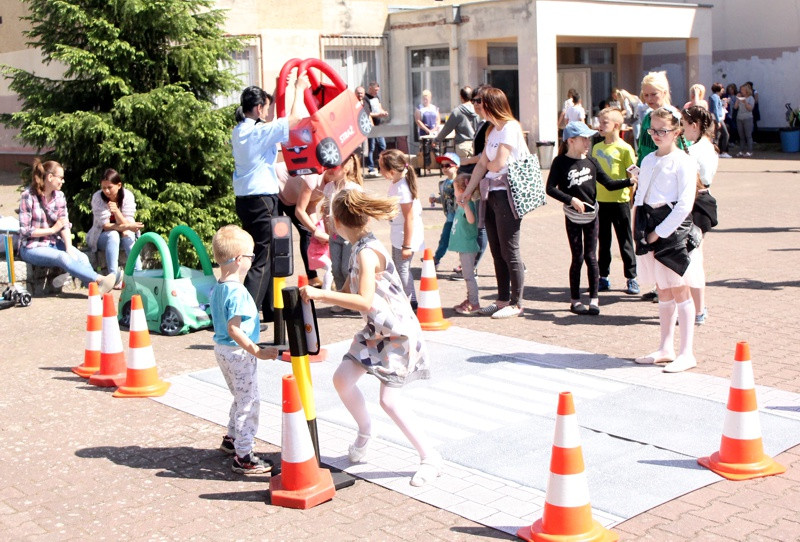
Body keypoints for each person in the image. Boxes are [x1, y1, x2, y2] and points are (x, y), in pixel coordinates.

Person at [299, 189, 440, 487]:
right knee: (342, 379)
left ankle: (430, 457)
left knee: (389, 400)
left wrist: (321, 294)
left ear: (336, 222)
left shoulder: (365, 252)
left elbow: (363, 301)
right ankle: (365, 431)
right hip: (377, 331)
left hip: (397, 333)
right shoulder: (361, 245)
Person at [231, 74, 309, 324]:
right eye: (264, 106)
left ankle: (269, 310)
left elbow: (271, 118)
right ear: (257, 108)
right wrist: (298, 89)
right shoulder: (258, 132)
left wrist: (279, 89)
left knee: (262, 254)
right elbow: (294, 120)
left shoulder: (241, 129)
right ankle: (247, 316)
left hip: (246, 201)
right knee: (264, 257)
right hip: (263, 200)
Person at [633, 106, 701, 373]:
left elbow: (685, 204)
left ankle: (687, 352)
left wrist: (658, 233)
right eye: (653, 130)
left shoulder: (683, 160)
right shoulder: (649, 159)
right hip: (648, 223)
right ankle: (665, 347)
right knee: (662, 287)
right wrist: (638, 227)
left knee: (679, 286)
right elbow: (640, 196)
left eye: (663, 130)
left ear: (676, 131)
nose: (658, 135)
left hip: (672, 228)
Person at [547, 122, 635, 315]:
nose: (588, 142)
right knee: (577, 257)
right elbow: (550, 188)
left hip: (591, 215)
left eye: (589, 138)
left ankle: (594, 300)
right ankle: (575, 300)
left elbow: (609, 184)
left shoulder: (592, 161)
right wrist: (571, 200)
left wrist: (630, 181)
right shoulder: (560, 162)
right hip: (572, 216)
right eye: (584, 138)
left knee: (591, 257)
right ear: (571, 140)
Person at [211, 225, 279, 474]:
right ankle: (244, 455)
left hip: (222, 351)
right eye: (251, 256)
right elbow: (234, 328)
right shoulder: (237, 292)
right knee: (249, 402)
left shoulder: (219, 286)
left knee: (240, 396)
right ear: (240, 260)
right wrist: (257, 351)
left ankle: (232, 439)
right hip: (238, 353)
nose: (252, 260)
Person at [460, 87, 528, 319]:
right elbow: (483, 164)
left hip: (508, 194)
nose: (477, 106)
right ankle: (501, 300)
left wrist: (489, 164)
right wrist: (468, 191)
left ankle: (516, 302)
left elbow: (496, 163)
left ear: (492, 104)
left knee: (510, 249)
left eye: (481, 102)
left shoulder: (510, 127)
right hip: (490, 193)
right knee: (497, 249)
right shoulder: (491, 130)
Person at [18, 159, 122, 294]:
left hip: (53, 243)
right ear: (50, 177)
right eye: (60, 178)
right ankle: (100, 279)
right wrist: (52, 230)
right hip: (31, 247)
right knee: (62, 257)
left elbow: (65, 225)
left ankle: (95, 290)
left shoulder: (59, 196)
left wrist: (69, 248)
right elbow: (25, 230)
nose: (63, 181)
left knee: (81, 257)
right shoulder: (28, 196)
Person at [591, 108, 639, 295]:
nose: (600, 126)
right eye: (599, 122)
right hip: (601, 201)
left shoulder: (625, 148)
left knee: (625, 240)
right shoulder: (596, 148)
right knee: (603, 241)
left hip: (620, 201)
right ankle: (603, 276)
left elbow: (632, 175)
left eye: (604, 123)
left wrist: (631, 196)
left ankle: (631, 277)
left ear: (616, 126)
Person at [682, 105, 719, 325]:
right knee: (695, 255)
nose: (682, 130)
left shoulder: (695, 151)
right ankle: (697, 308)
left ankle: (696, 309)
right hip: (704, 201)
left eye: (684, 126)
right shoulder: (707, 147)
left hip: (695, 202)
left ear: (694, 126)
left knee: (691, 257)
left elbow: (689, 179)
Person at [380, 149, 424, 310]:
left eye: (381, 168)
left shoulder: (402, 188)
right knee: (400, 268)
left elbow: (409, 218)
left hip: (405, 236)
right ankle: (407, 298)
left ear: (392, 171)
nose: (379, 171)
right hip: (399, 234)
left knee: (403, 269)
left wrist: (407, 245)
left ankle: (410, 300)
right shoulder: (396, 183)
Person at [320, 154, 364, 307]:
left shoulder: (353, 188)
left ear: (346, 168)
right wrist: (326, 226)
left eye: (334, 167)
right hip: (334, 234)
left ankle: (354, 300)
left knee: (347, 268)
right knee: (336, 269)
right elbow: (325, 208)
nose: (330, 170)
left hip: (349, 234)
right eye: (328, 167)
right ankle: (341, 301)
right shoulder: (328, 187)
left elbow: (360, 212)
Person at [86, 168, 144, 276]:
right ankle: (113, 276)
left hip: (123, 233)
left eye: (109, 187)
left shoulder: (127, 196)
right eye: (104, 188)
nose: (106, 191)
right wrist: (127, 226)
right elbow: (106, 225)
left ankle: (139, 274)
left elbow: (127, 222)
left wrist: (117, 211)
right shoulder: (98, 198)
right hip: (101, 236)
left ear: (119, 185)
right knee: (113, 235)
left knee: (128, 234)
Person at [276, 162, 324, 286]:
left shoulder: (327, 186)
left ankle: (312, 277)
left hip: (293, 199)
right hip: (276, 189)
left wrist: (316, 228)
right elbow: (300, 210)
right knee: (278, 236)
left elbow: (311, 204)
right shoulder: (314, 178)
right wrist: (315, 230)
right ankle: (276, 281)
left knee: (308, 232)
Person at [449, 174, 481, 315]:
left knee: (469, 276)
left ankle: (474, 303)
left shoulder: (468, 205)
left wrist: (466, 206)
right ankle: (470, 300)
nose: (454, 192)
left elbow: (471, 220)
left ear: (462, 190)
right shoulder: (461, 205)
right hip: (464, 246)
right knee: (467, 275)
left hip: (468, 247)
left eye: (455, 189)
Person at [430, 152, 459, 268]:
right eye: (442, 166)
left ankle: (465, 264)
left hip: (460, 216)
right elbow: (445, 199)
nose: (444, 168)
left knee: (461, 241)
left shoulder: (460, 181)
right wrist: (436, 200)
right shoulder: (444, 183)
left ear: (456, 166)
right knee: (445, 238)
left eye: (448, 165)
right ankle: (436, 258)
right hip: (450, 216)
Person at [436, 86, 480, 161]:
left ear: (461, 97)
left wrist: (437, 140)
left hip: (462, 146)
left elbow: (447, 129)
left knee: (463, 170)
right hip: (476, 144)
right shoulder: (478, 109)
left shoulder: (457, 111)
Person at [363, 82, 389, 177]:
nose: (377, 92)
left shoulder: (377, 97)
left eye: (378, 90)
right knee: (371, 147)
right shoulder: (366, 98)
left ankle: (381, 167)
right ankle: (370, 168)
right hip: (371, 126)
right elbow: (368, 113)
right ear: (370, 88)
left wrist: (383, 112)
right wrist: (378, 115)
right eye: (375, 90)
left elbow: (379, 107)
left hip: (379, 125)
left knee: (383, 146)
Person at [708, 83, 731, 158]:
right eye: (722, 88)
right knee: (726, 134)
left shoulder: (715, 97)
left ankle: (715, 152)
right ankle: (723, 151)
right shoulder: (715, 97)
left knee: (717, 136)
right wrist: (718, 121)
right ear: (719, 89)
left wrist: (723, 102)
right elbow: (715, 109)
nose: (723, 90)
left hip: (717, 118)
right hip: (717, 118)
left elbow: (718, 106)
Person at [734, 83, 755, 157]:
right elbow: (735, 107)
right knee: (741, 136)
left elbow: (750, 109)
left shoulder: (751, 98)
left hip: (748, 118)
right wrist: (737, 99)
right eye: (741, 90)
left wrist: (745, 102)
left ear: (746, 90)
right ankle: (741, 151)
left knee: (748, 135)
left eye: (742, 90)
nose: (741, 91)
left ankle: (750, 151)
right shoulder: (740, 98)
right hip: (739, 118)